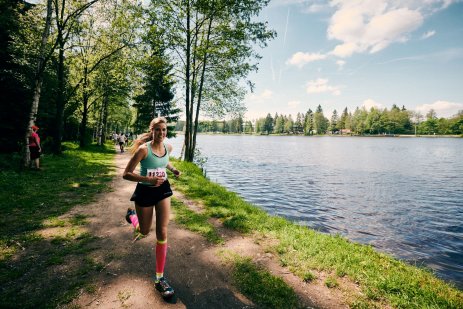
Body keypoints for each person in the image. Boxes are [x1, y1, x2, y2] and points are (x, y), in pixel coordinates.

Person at [122, 117, 181, 299]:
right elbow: (126, 174)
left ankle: (159, 279)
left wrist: (173, 170)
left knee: (162, 231)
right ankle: (133, 218)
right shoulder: (143, 150)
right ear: (152, 130)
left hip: (163, 190)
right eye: (158, 130)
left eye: (164, 130)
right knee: (145, 231)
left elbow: (164, 163)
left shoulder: (168, 147)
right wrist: (148, 180)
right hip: (145, 192)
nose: (161, 133)